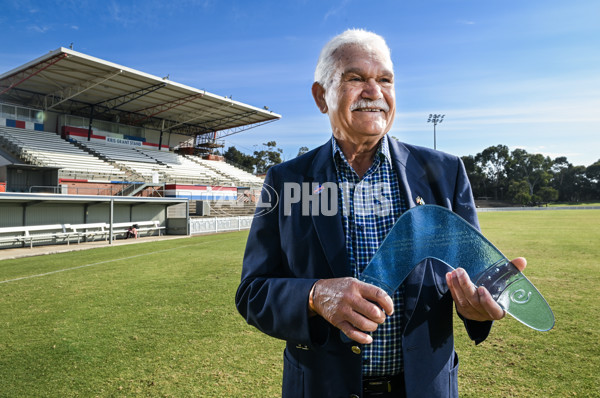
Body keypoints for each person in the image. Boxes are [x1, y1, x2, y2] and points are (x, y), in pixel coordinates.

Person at [235, 29, 526, 398]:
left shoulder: (444, 172)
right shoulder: (288, 181)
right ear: (320, 96)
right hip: (322, 387)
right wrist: (314, 295)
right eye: (355, 78)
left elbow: (477, 278)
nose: (374, 91)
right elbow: (253, 292)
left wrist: (480, 305)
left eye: (385, 80)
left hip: (425, 388)